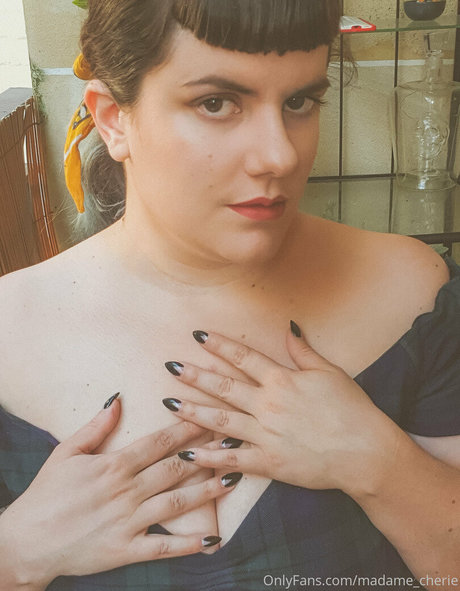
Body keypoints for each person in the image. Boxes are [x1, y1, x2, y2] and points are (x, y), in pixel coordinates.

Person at [0, 1, 459, 589]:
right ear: (113, 119)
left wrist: (379, 465)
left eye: (299, 101)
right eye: (215, 103)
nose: (280, 156)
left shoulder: (413, 294)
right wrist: (17, 554)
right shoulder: (10, 335)